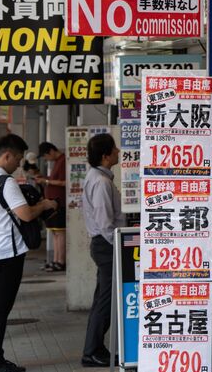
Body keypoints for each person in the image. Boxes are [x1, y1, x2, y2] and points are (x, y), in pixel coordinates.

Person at [0, 135, 57, 372]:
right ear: (7, 155)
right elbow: (26, 215)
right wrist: (45, 205)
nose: (18, 164)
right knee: (0, 308)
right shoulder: (4, 181)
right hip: (7, 253)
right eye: (18, 158)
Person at [80, 133, 124, 367]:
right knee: (105, 301)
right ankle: (92, 351)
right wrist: (118, 246)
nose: (118, 152)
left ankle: (94, 348)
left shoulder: (98, 177)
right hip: (107, 245)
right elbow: (106, 223)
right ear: (106, 156)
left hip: (104, 244)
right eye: (114, 149)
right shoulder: (101, 182)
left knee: (103, 299)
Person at [36, 142, 66, 272]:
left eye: (46, 156)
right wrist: (45, 179)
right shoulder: (58, 162)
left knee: (60, 232)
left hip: (59, 203)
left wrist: (46, 181)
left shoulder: (63, 161)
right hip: (53, 203)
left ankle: (61, 261)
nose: (46, 160)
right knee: (55, 232)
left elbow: (65, 182)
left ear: (51, 152)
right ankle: (55, 260)